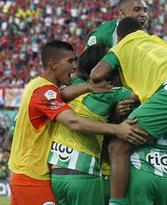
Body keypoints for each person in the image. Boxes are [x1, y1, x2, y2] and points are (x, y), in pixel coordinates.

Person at [8, 40, 146, 205]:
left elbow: (64, 93)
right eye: (70, 61)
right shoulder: (44, 91)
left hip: (28, 174)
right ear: (53, 64)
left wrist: (90, 88)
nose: (74, 66)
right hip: (33, 177)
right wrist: (117, 129)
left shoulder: (37, 86)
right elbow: (73, 122)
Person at [90, 17, 167, 205]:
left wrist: (116, 58)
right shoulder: (158, 41)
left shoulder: (123, 45)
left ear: (119, 36)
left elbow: (96, 74)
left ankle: (116, 203)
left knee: (118, 147)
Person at [47, 44, 139, 205]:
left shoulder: (72, 84)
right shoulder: (112, 93)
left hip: (56, 175)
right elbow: (144, 93)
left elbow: (61, 94)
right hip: (85, 174)